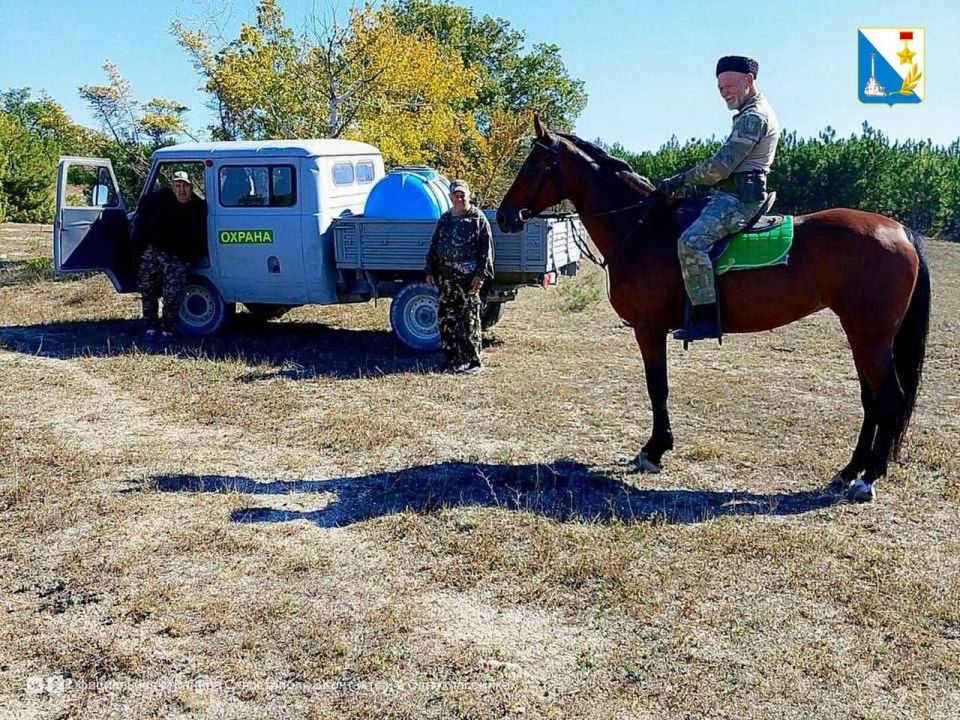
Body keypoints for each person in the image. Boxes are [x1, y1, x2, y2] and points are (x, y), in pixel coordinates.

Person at [657, 55, 781, 341]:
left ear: (749, 80)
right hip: (728, 194)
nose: (723, 91)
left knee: (691, 242)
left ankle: (706, 318)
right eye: (719, 87)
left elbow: (720, 166)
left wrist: (681, 179)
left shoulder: (753, 118)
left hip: (739, 200)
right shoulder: (749, 112)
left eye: (728, 84)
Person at [424, 179, 495, 374]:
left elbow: (486, 250)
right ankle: (451, 360)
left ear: (468, 195)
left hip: (468, 281)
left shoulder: (477, 218)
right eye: (456, 194)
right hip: (447, 280)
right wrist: (430, 270)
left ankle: (474, 362)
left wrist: (480, 275)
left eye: (462, 194)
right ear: (450, 197)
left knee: (470, 321)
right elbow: (435, 245)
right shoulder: (445, 219)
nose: (459, 197)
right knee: (446, 320)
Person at [133, 171, 207, 346]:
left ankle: (168, 330)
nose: (182, 191)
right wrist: (138, 253)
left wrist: (192, 257)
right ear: (172, 187)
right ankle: (150, 328)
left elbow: (200, 238)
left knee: (172, 294)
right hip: (154, 251)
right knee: (147, 290)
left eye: (185, 186)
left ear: (191, 187)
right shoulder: (159, 201)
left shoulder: (198, 207)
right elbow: (141, 225)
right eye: (178, 186)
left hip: (178, 256)